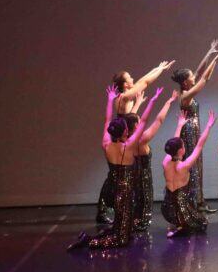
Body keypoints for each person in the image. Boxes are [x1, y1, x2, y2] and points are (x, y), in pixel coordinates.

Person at [67, 86, 162, 250]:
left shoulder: (106, 144)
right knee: (122, 239)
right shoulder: (129, 147)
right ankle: (89, 241)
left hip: (114, 188)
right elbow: (144, 121)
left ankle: (101, 235)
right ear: (125, 132)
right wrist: (152, 101)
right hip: (125, 191)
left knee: (122, 226)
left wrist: (110, 100)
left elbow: (107, 120)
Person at [96, 59, 174, 224]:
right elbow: (144, 82)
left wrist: (158, 68)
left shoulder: (122, 98)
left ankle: (116, 210)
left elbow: (129, 116)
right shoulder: (125, 96)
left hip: (123, 135)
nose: (133, 79)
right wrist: (160, 69)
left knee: (116, 175)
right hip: (123, 138)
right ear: (125, 84)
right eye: (129, 77)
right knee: (117, 175)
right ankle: (111, 210)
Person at [172, 41, 218, 213]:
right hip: (189, 131)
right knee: (193, 164)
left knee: (197, 163)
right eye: (190, 77)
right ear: (185, 83)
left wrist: (209, 52)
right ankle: (195, 202)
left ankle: (198, 200)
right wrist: (216, 60)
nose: (193, 77)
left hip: (193, 129)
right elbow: (204, 79)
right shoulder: (186, 96)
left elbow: (199, 72)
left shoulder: (186, 88)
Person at [126, 89, 179, 231]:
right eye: (138, 121)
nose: (141, 121)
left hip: (132, 174)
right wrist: (169, 102)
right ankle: (141, 222)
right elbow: (159, 120)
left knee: (136, 199)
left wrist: (138, 103)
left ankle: (135, 220)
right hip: (143, 176)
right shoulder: (142, 139)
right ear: (136, 125)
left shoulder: (126, 139)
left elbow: (129, 119)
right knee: (144, 199)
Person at [162, 109, 216, 238]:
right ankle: (181, 226)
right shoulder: (184, 165)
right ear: (181, 150)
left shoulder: (165, 161)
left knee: (183, 214)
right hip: (182, 208)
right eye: (183, 145)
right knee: (202, 223)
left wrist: (180, 125)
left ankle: (178, 224)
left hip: (167, 208)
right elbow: (199, 145)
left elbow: (174, 142)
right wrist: (208, 126)